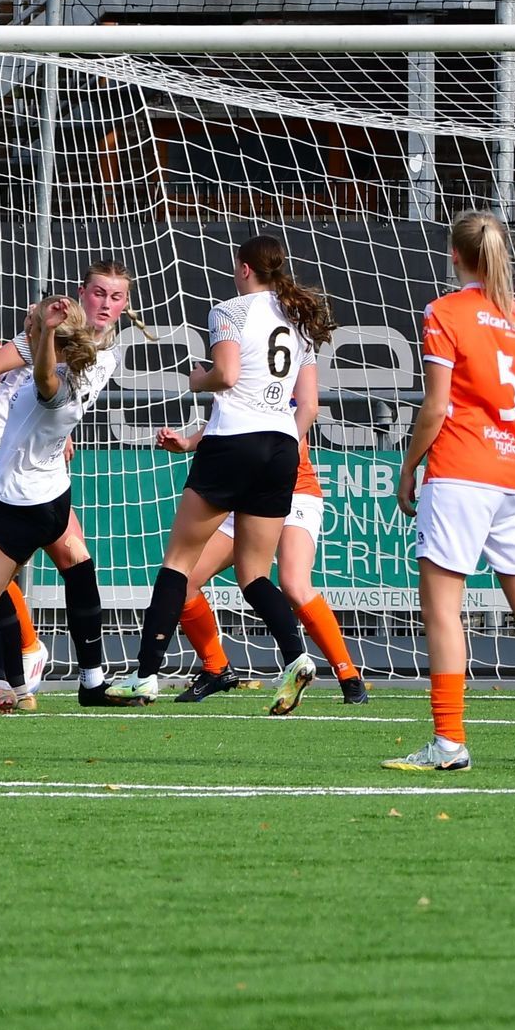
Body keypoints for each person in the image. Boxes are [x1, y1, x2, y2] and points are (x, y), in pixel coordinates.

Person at [111, 235, 335, 713]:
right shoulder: (297, 317)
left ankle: (144, 676)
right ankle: (296, 658)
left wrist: (197, 378)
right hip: (282, 447)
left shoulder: (229, 310)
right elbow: (308, 405)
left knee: (178, 563)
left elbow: (227, 376)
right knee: (254, 575)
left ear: (245, 268)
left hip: (233, 442)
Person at [386, 210, 515, 771]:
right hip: (514, 477)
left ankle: (448, 744)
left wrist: (407, 467)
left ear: (455, 255)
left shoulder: (444, 312)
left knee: (443, 611)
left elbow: (436, 405)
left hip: (460, 473)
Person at [0, 261, 139, 707]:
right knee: (77, 563)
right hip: (54, 494)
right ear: (83, 293)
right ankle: (91, 680)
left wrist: (45, 334)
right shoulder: (97, 355)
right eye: (98, 293)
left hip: (14, 499)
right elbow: (38, 380)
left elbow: (45, 381)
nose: (106, 303)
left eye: (116, 296)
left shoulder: (54, 376)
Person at [156, 386, 368, 705]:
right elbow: (225, 421)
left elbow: (302, 412)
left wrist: (275, 454)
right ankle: (216, 668)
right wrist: (187, 443)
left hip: (293, 491)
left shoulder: (281, 370)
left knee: (294, 584)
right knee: (185, 581)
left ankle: (349, 677)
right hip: (246, 495)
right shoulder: (235, 372)